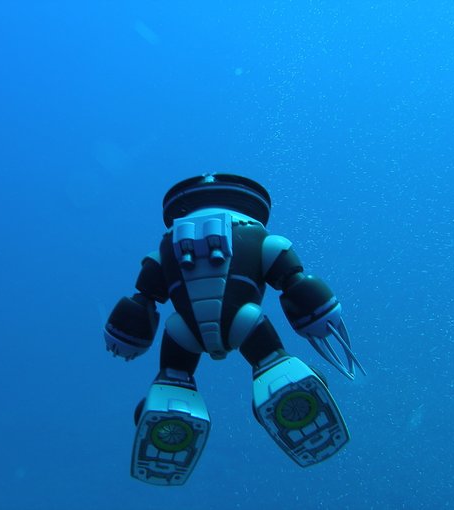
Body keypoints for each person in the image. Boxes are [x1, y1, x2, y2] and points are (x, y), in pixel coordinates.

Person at [104, 173, 366, 485]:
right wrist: (319, 315)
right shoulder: (260, 239)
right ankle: (281, 384)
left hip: (185, 331)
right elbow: (292, 279)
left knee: (174, 373)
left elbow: (144, 298)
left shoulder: (166, 249)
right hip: (244, 321)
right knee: (272, 363)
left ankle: (170, 401)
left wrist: (126, 336)